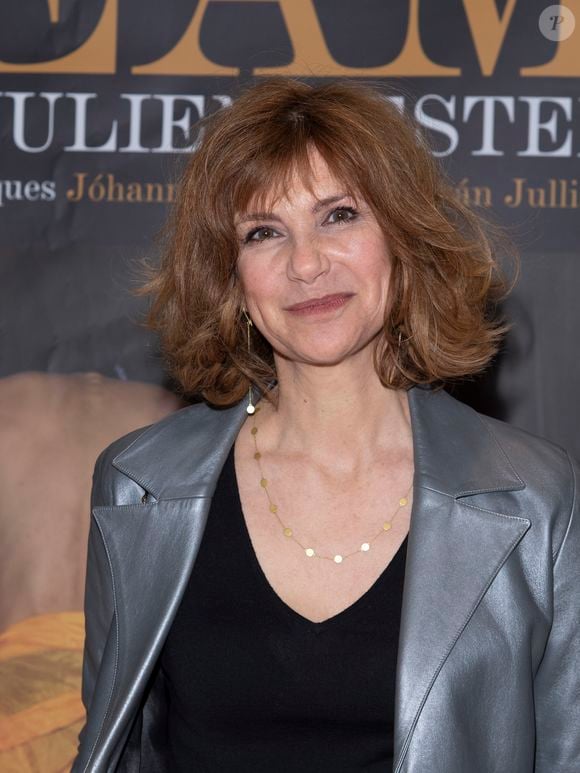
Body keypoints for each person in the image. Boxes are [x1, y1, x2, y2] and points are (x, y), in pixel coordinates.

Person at [73, 79, 580, 773]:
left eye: (339, 216)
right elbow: (116, 751)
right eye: (263, 232)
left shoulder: (536, 496)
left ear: (402, 240)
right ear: (232, 280)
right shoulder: (139, 484)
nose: (305, 263)